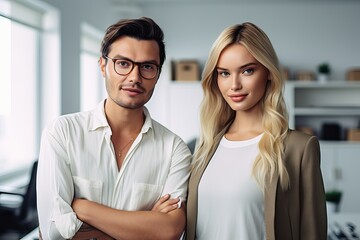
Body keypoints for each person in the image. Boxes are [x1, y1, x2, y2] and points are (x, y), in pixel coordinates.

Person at [36, 17, 192, 240]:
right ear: (103, 65)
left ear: (157, 74)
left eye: (147, 66)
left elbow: (168, 231)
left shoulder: (174, 149)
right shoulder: (62, 132)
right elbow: (54, 233)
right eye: (123, 63)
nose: (135, 77)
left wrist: (83, 208)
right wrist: (145, 225)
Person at [185, 22, 327, 240]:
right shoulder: (203, 148)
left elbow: (312, 232)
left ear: (268, 72)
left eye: (247, 71)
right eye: (224, 73)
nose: (234, 85)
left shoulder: (299, 148)